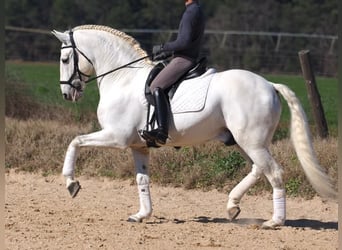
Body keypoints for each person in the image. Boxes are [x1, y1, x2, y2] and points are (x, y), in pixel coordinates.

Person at [142, 0, 205, 145]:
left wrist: (164, 47)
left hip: (184, 59)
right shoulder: (196, 9)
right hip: (184, 56)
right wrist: (168, 54)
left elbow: (184, 41)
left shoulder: (190, 12)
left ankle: (162, 131)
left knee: (155, 86)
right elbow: (187, 42)